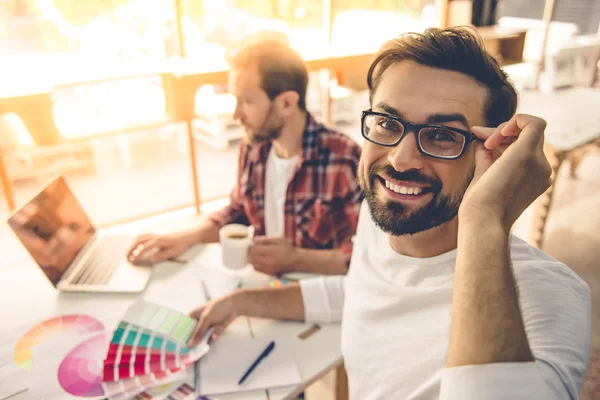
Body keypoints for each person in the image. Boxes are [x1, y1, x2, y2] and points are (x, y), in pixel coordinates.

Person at [185, 27, 591, 399]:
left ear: (493, 155)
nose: (401, 159)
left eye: (442, 135)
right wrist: (239, 302)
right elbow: (361, 291)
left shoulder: (549, 295)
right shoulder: (381, 219)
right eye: (387, 122)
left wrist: (485, 219)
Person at [127, 34, 362, 276]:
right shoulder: (254, 148)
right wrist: (186, 236)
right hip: (264, 285)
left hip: (318, 297)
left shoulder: (345, 159)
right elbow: (238, 209)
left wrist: (297, 260)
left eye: (246, 101)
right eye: (235, 100)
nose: (236, 115)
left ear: (287, 104)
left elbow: (371, 253)